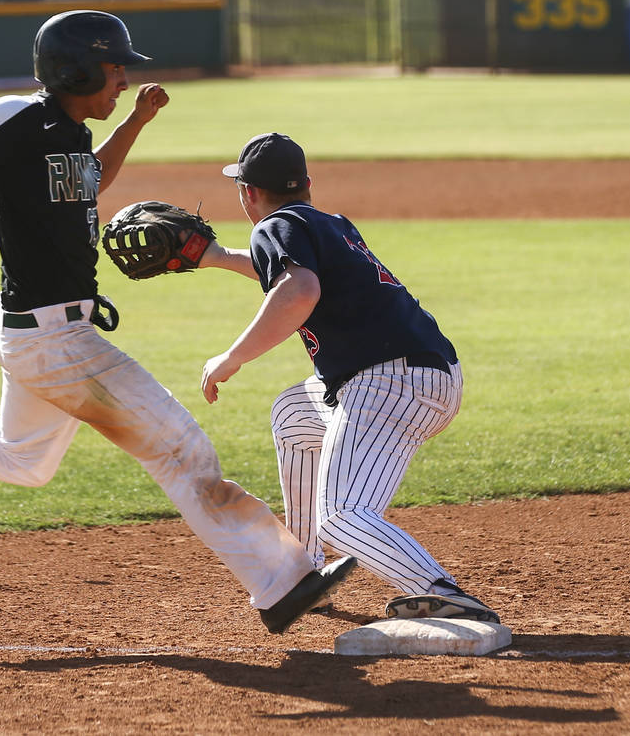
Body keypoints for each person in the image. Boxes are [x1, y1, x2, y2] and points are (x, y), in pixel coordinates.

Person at [0, 11, 356, 634]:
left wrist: (135, 123)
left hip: (37, 334)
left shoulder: (69, 133)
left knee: (23, 461)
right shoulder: (16, 119)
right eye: (115, 66)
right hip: (53, 339)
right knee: (180, 448)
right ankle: (281, 580)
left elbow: (89, 180)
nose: (122, 78)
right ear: (77, 67)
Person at [199, 132, 500, 623]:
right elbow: (288, 271)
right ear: (307, 184)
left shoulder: (273, 226)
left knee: (341, 517)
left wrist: (232, 358)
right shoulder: (329, 224)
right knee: (294, 415)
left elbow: (298, 290)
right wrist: (212, 256)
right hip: (421, 374)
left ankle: (441, 591)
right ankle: (303, 573)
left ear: (248, 193)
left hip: (388, 383)